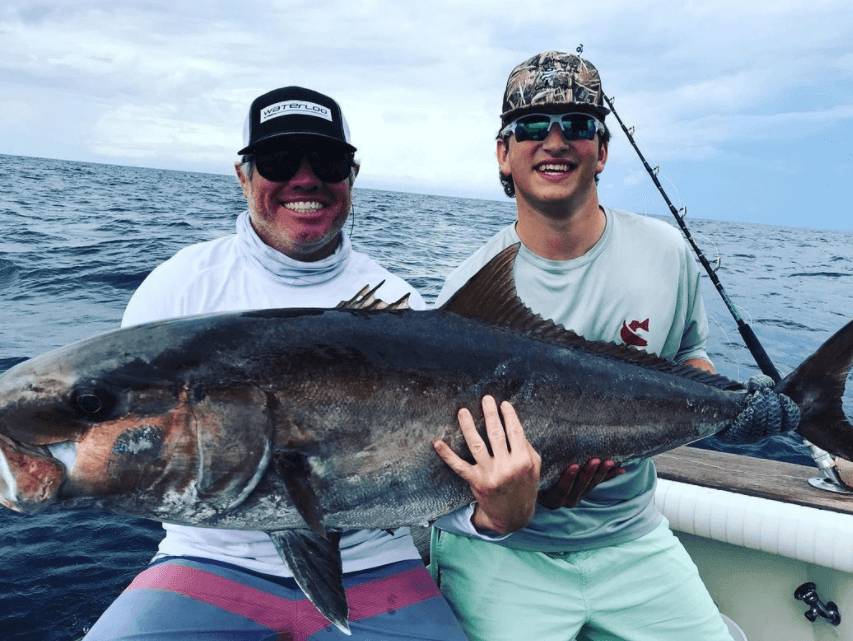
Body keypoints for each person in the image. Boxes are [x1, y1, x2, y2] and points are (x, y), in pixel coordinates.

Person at [429, 51, 798, 641]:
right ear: (504, 152)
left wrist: (735, 408)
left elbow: (685, 361)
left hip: (634, 537)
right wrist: (525, 492)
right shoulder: (468, 287)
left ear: (601, 150)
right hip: (508, 552)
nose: (554, 142)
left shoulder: (666, 252)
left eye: (577, 126)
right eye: (530, 127)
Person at [85, 86, 469, 641]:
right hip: (207, 559)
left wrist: (503, 517)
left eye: (328, 161)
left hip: (375, 562)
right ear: (244, 175)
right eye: (279, 161)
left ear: (352, 175)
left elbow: (449, 475)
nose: (305, 179)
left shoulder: (399, 301)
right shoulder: (176, 288)